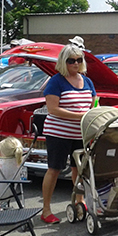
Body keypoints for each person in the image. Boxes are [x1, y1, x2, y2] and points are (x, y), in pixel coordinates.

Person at [40, 44, 96, 224]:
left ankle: (79, 202)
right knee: (54, 169)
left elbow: (92, 104)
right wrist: (80, 116)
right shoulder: (56, 81)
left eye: (79, 60)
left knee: (79, 169)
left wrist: (92, 115)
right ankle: (46, 209)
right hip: (58, 133)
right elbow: (52, 109)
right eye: (71, 60)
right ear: (64, 62)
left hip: (80, 134)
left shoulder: (87, 81)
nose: (76, 63)